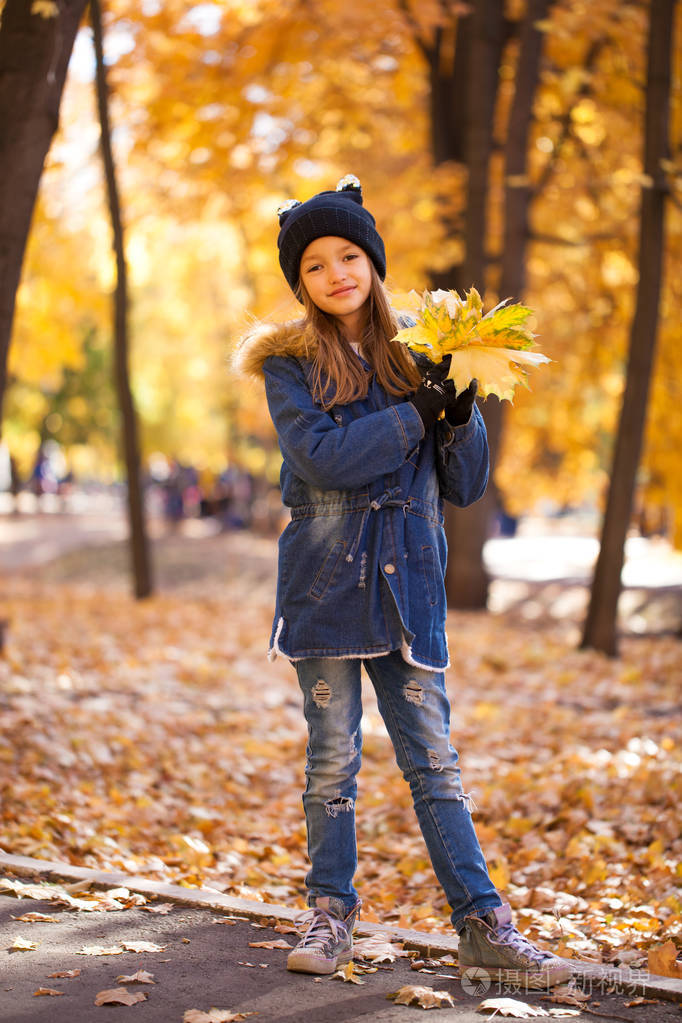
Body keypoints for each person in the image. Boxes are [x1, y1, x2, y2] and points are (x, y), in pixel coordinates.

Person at [236, 176, 570, 990]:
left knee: (433, 761)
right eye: (314, 265)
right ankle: (330, 909)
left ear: (373, 261)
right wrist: (416, 414)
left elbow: (464, 485)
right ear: (301, 284)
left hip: (408, 591)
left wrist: (455, 412)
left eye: (348, 255)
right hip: (323, 587)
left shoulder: (429, 350)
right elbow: (324, 457)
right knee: (331, 762)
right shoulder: (289, 366)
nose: (336, 273)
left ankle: (484, 924)